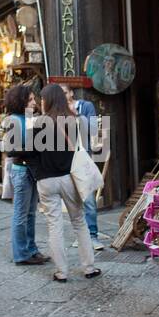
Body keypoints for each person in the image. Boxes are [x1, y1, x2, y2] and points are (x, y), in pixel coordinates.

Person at [29, 84, 100, 282]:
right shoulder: (72, 120)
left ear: (47, 100)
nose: (41, 102)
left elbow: (31, 152)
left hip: (46, 180)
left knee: (54, 225)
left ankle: (61, 272)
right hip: (69, 177)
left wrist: (37, 172)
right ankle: (89, 267)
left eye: (42, 99)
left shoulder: (38, 123)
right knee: (79, 221)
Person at [2, 85, 46, 265]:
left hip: (31, 169)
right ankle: (21, 254)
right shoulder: (13, 119)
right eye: (30, 99)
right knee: (21, 214)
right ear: (21, 101)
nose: (34, 103)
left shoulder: (28, 118)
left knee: (31, 213)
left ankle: (31, 249)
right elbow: (12, 150)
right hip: (21, 170)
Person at [63, 85, 104, 251]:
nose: (63, 96)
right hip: (66, 159)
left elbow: (94, 129)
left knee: (88, 198)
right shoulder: (58, 111)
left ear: (71, 92)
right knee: (73, 199)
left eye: (65, 92)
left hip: (83, 157)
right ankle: (80, 235)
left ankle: (92, 235)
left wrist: (77, 115)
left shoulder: (86, 106)